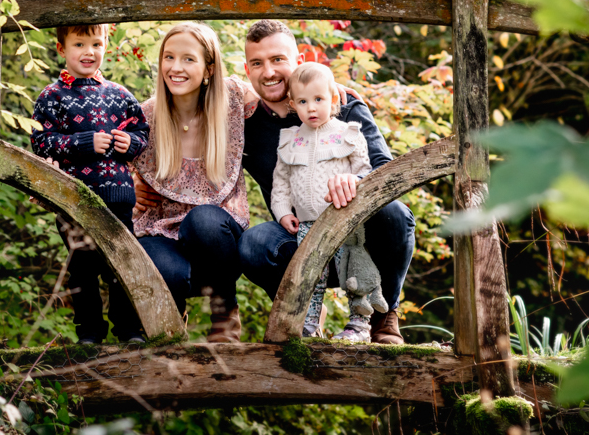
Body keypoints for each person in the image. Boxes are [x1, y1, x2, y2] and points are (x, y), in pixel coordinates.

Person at [237, 20, 415, 344]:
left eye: (278, 59)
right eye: (257, 63)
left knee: (396, 214)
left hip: (355, 236)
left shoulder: (342, 104)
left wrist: (356, 180)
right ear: (246, 70)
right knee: (253, 243)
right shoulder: (247, 124)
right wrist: (140, 176)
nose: (268, 72)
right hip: (298, 236)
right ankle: (302, 313)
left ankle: (382, 317)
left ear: (299, 61)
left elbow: (385, 169)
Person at [132, 22, 259, 343]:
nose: (176, 67)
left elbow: (282, 95)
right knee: (165, 273)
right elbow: (105, 163)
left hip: (217, 243)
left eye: (188, 59)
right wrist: (129, 183)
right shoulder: (144, 118)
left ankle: (224, 313)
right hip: (161, 231)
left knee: (202, 220)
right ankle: (170, 336)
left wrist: (328, 87)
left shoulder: (232, 99)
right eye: (169, 57)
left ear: (208, 68)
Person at [30, 23, 150, 344]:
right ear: (62, 49)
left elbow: (142, 132)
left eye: (96, 44)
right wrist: (83, 142)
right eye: (79, 44)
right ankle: (90, 334)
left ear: (106, 46)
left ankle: (128, 330)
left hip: (120, 197)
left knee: (122, 266)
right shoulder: (52, 96)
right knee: (83, 268)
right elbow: (41, 141)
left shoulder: (119, 94)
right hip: (74, 200)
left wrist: (131, 143)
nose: (89, 52)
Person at [270, 62, 374, 340]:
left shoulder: (347, 133)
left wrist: (356, 182)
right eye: (303, 101)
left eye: (318, 99)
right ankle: (308, 324)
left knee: (352, 269)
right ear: (293, 104)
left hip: (343, 219)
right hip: (306, 224)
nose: (311, 108)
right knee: (309, 276)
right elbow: (279, 183)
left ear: (334, 99)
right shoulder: (290, 140)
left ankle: (359, 324)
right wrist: (282, 213)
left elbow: (364, 170)